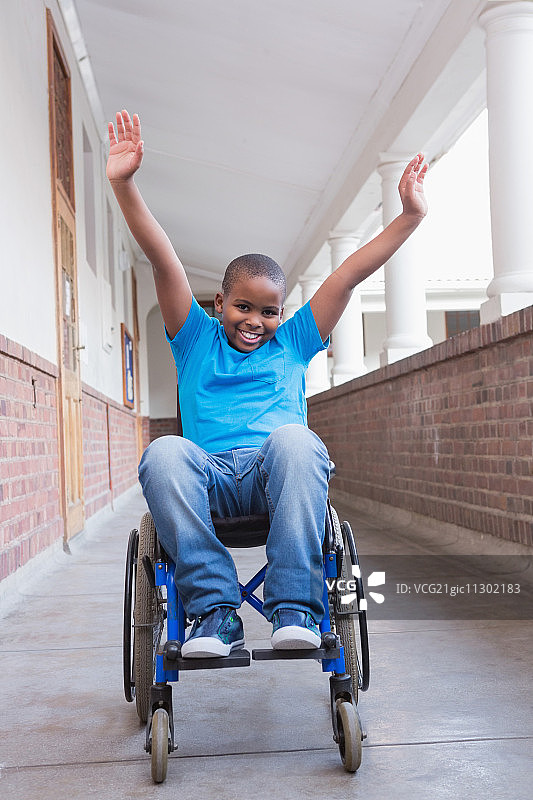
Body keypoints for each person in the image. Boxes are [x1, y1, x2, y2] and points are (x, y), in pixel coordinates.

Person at [107, 109, 428, 658]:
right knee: (162, 452)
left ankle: (295, 608)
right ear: (219, 304)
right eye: (242, 306)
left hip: (274, 475)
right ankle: (214, 611)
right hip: (206, 478)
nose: (255, 320)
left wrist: (410, 218)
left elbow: (347, 274)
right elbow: (163, 259)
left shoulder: (294, 343)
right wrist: (124, 183)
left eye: (269, 310)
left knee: (297, 439)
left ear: (284, 313)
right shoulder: (194, 339)